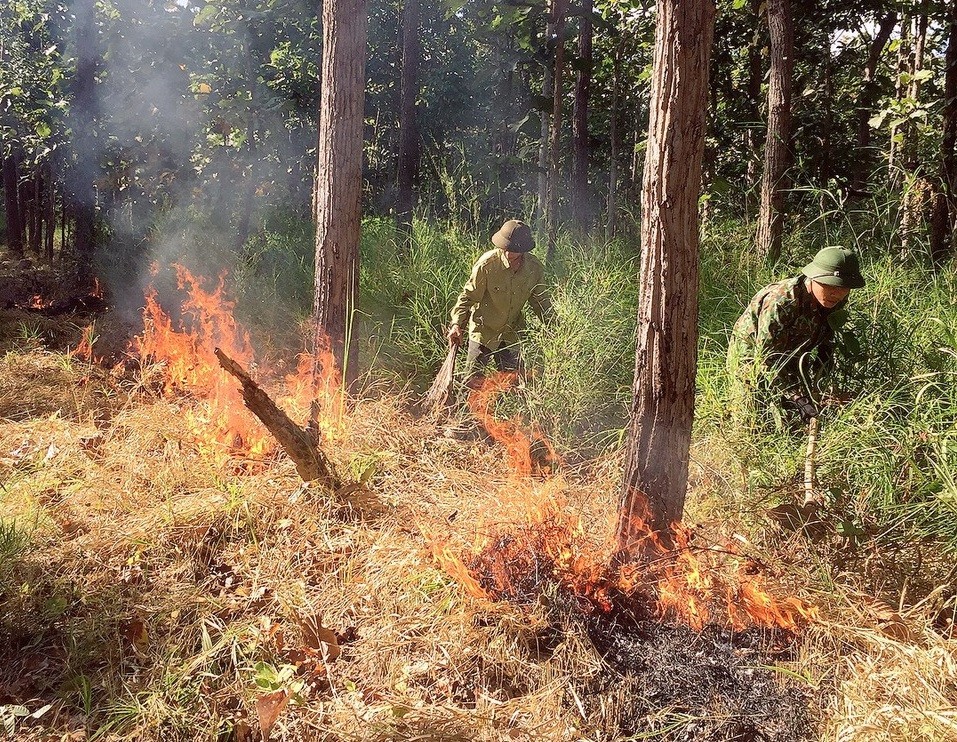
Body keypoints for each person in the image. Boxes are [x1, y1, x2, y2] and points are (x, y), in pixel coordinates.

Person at [727, 246, 865, 429]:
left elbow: (827, 341)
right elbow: (766, 358)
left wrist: (819, 382)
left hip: (795, 353)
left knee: (796, 422)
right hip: (753, 355)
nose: (837, 293)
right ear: (814, 278)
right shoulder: (782, 301)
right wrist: (797, 396)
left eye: (844, 287)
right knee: (751, 421)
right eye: (830, 285)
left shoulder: (834, 299)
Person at [447, 218, 553, 389]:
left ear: (523, 250)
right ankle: (465, 414)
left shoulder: (534, 269)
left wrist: (556, 329)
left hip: (511, 333)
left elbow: (541, 302)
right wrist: (456, 324)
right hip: (484, 331)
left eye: (513, 249)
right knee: (473, 383)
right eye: (505, 247)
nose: (507, 252)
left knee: (514, 384)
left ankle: (506, 414)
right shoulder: (487, 265)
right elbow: (468, 296)